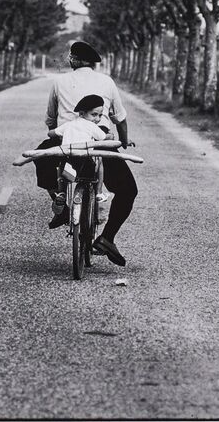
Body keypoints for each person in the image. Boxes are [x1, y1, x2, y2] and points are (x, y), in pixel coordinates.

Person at [35, 40, 138, 267]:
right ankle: (107, 238)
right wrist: (122, 141)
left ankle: (60, 201)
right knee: (128, 190)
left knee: (41, 159)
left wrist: (58, 131)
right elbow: (120, 118)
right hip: (98, 144)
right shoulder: (107, 82)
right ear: (93, 63)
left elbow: (51, 119)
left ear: (73, 60)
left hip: (67, 143)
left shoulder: (59, 81)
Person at [47, 94, 114, 211]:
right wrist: (111, 136)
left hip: (67, 162)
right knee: (99, 161)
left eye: (100, 115)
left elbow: (51, 133)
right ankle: (99, 192)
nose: (97, 119)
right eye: (94, 114)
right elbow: (103, 137)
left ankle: (61, 193)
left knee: (61, 170)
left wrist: (58, 135)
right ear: (82, 113)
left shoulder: (69, 125)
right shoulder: (92, 126)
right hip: (86, 163)